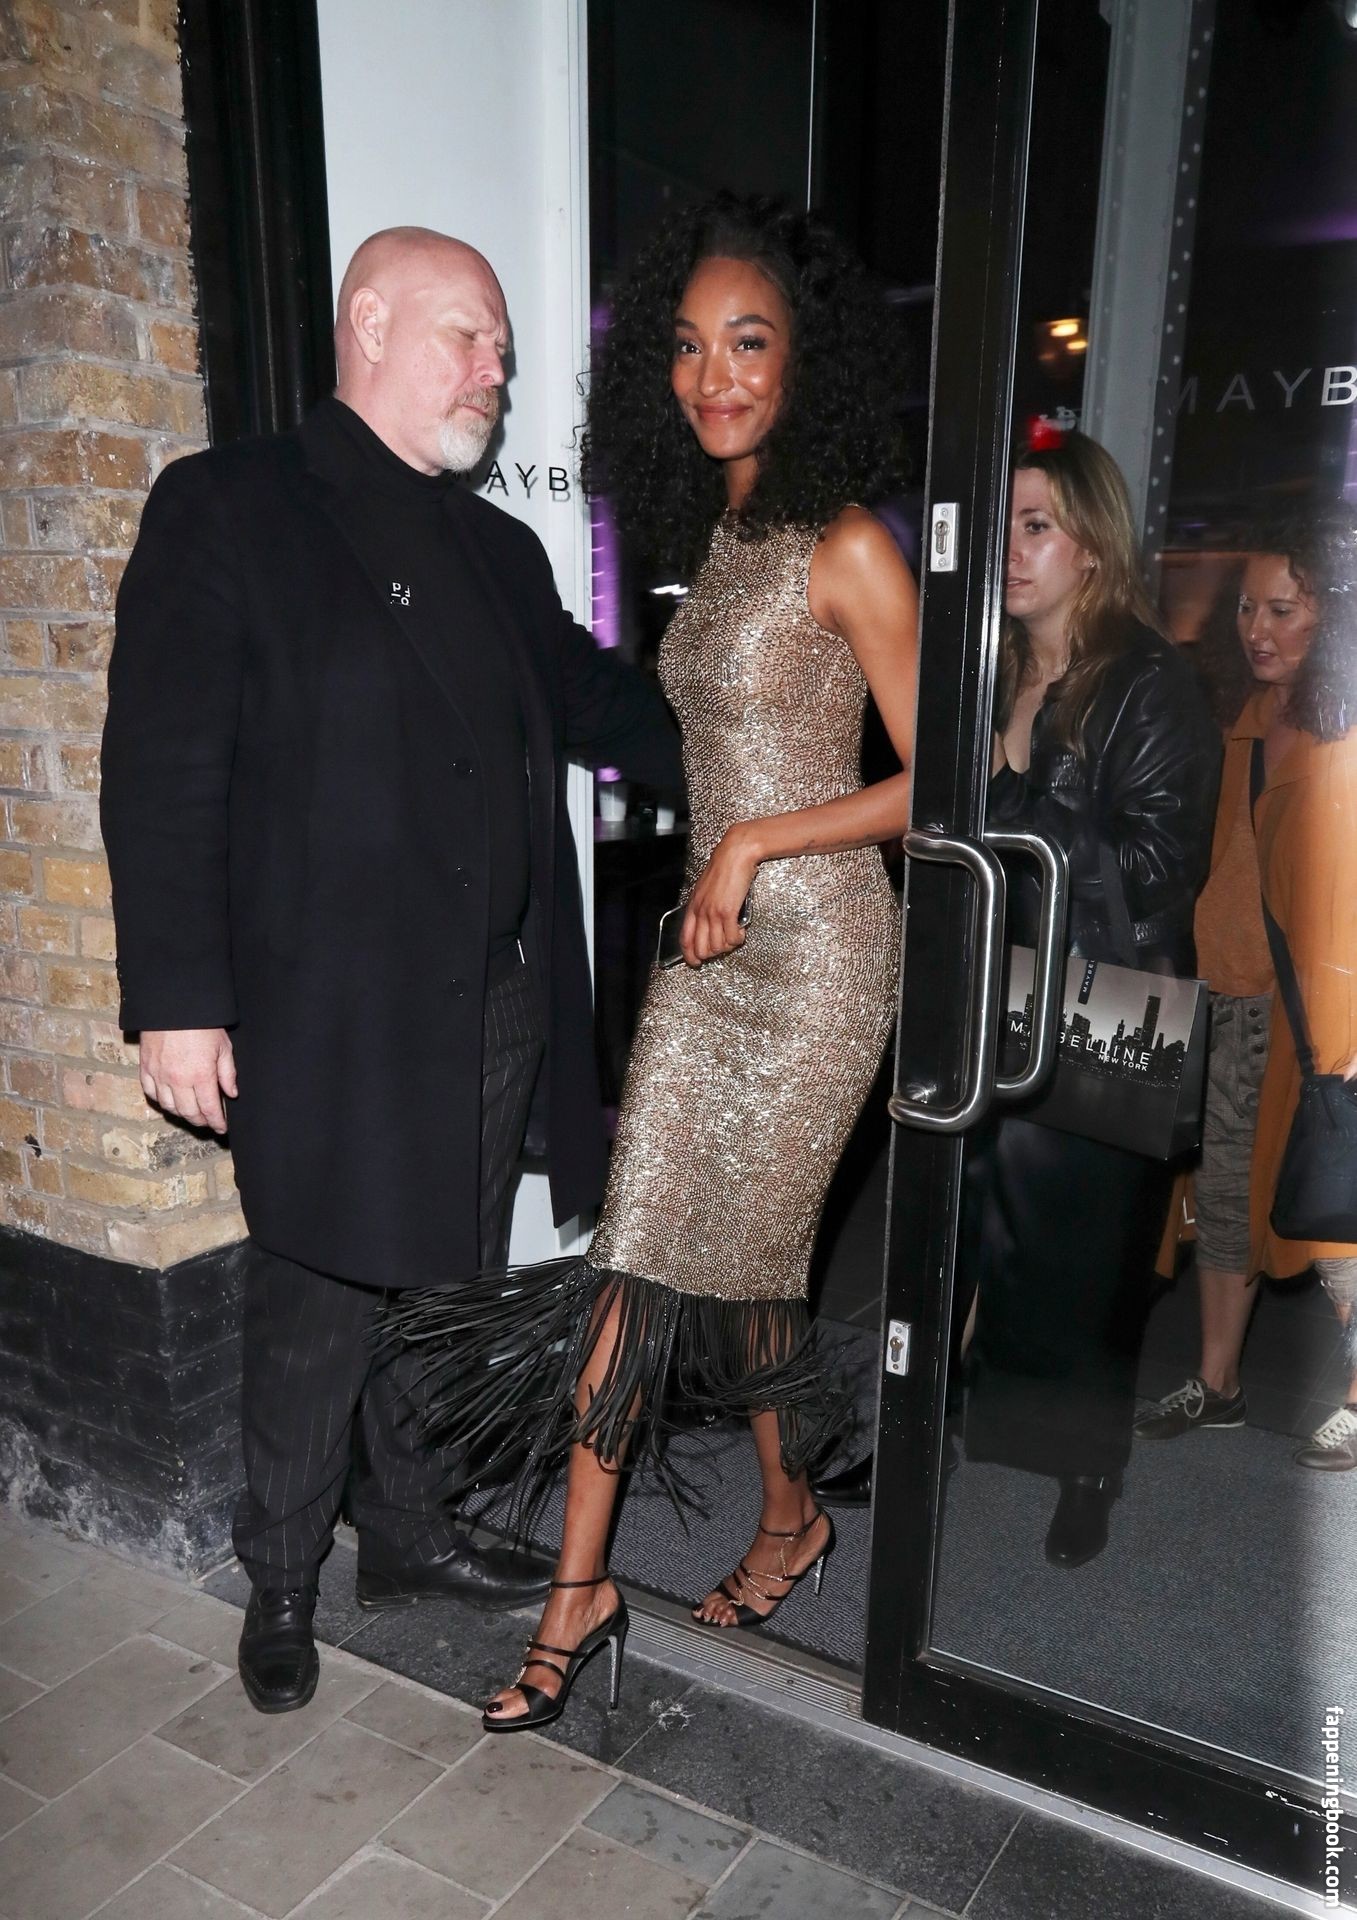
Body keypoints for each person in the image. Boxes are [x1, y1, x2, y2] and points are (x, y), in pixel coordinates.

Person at [100, 226, 684, 1714]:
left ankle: (411, 1532)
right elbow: (163, 770)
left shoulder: (500, 551)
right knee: (319, 1296)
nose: (497, 369)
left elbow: (596, 702)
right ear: (368, 322)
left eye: (502, 349)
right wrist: (180, 1001)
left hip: (489, 1002)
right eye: (468, 336)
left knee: (443, 1285)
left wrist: (769, 741)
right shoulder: (233, 506)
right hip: (331, 1006)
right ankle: (283, 1573)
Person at [388, 192, 918, 1730]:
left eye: (747, 342)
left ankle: (624, 1577)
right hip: (709, 944)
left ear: (804, 356)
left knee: (728, 1260)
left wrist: (753, 846)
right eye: (686, 347)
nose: (713, 375)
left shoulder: (846, 545)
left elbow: (950, 778)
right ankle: (726, 1535)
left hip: (818, 955)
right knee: (662, 1259)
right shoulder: (720, 534)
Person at [960, 431, 1220, 1567]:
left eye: (1037, 526)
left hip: (1115, 1001)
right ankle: (966, 1416)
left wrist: (1014, 793)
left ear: (1094, 550)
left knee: (1089, 1257)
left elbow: (1161, 869)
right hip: (998, 983)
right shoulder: (990, 669)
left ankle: (1087, 1469)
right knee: (981, 1221)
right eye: (1004, 527)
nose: (1011, 550)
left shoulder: (1148, 682)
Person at [1137, 507, 1357, 1467]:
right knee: (1225, 1198)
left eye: (1282, 611)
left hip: (1318, 1016)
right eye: (1245, 609)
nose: (1255, 630)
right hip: (1228, 1001)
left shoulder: (1344, 735)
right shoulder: (1245, 715)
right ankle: (1217, 1383)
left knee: (1336, 1206)